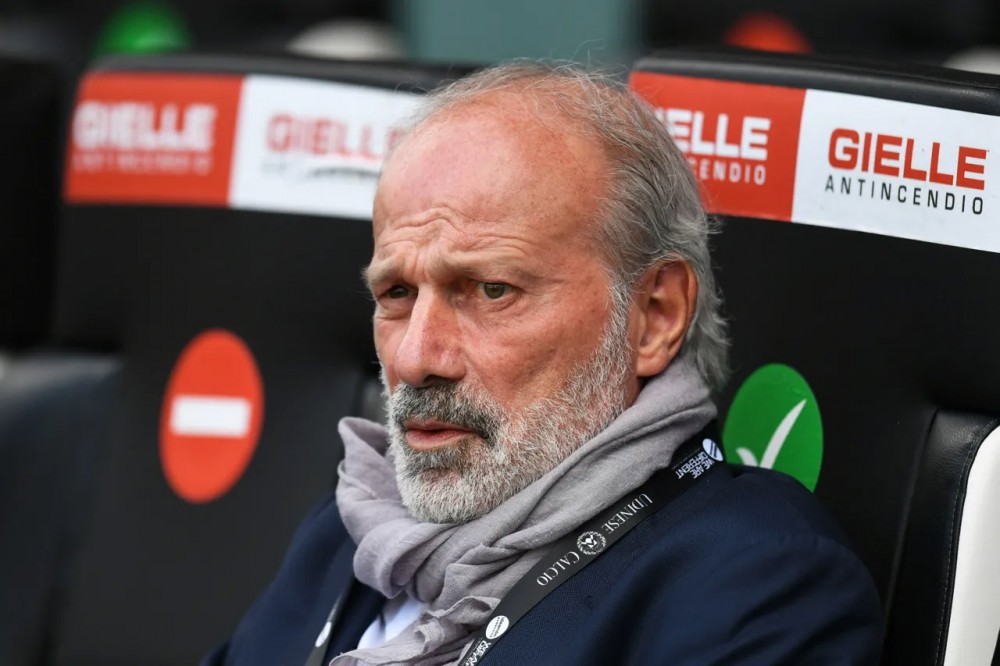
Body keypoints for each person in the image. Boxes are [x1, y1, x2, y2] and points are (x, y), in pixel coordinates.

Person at [203, 61, 882, 665]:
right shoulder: (347, 533)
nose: (415, 358)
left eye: (491, 290)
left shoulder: (752, 579)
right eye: (397, 294)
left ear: (655, 316)